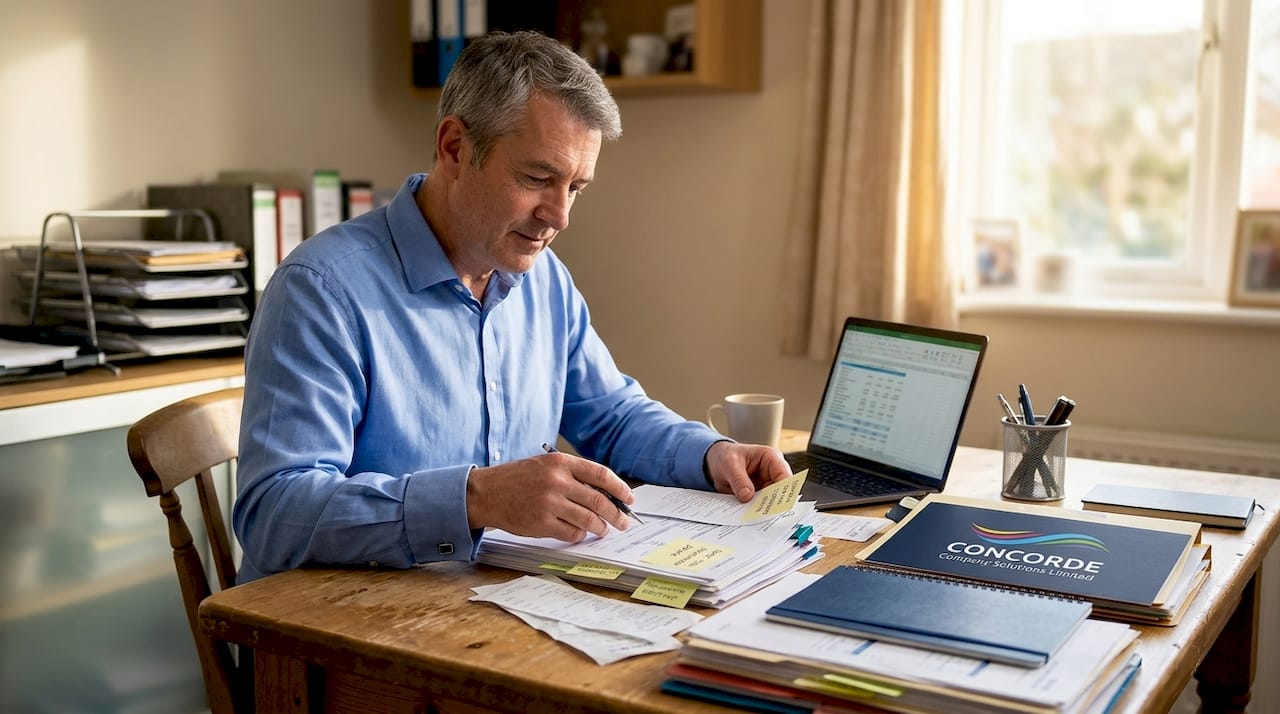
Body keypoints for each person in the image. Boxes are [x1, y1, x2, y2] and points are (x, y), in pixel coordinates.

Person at [233, 31, 791, 583]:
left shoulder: (544, 279)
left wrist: (709, 454)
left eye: (576, 188)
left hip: (489, 601)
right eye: (538, 178)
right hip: (331, 624)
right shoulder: (321, 290)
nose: (560, 216)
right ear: (455, 148)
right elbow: (273, 514)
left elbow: (612, 416)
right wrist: (475, 499)